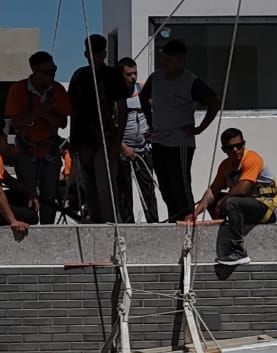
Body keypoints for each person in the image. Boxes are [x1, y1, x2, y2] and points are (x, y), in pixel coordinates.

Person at [140, 39, 221, 221]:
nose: (165, 63)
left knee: (180, 185)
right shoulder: (156, 78)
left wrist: (199, 128)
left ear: (180, 60)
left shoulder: (190, 81)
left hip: (180, 141)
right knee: (165, 186)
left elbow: (214, 102)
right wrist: (151, 122)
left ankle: (187, 220)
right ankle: (173, 219)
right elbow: (143, 97)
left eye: (169, 60)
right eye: (164, 59)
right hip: (159, 140)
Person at [189, 128, 277, 266]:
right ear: (224, 149)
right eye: (230, 147)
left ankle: (239, 251)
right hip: (247, 205)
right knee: (217, 200)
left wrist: (223, 200)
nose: (235, 150)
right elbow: (213, 191)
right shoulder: (225, 166)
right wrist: (195, 213)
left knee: (231, 202)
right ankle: (226, 236)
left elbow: (243, 189)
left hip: (267, 208)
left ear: (243, 144)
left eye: (239, 145)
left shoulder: (252, 159)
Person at [5, 51, 71, 225]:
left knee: (49, 196)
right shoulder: (19, 90)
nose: (52, 75)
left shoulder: (57, 90)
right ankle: (29, 228)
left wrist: (46, 114)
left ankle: (47, 230)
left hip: (49, 148)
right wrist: (38, 112)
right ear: (34, 70)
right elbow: (16, 122)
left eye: (54, 70)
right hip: (27, 150)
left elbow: (63, 122)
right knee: (28, 195)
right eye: (47, 72)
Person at [68, 34, 128, 223]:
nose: (95, 56)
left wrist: (117, 141)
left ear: (104, 53)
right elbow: (73, 110)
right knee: (89, 185)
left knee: (106, 185)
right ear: (86, 54)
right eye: (91, 53)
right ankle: (95, 222)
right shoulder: (79, 76)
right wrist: (73, 141)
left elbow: (122, 108)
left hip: (106, 138)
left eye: (99, 52)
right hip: (83, 140)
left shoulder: (112, 75)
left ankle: (111, 224)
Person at [117, 57, 159, 223]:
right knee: (124, 192)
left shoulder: (142, 89)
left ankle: (153, 222)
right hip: (124, 150)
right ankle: (128, 224)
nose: (133, 77)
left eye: (135, 73)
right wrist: (122, 147)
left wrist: (153, 130)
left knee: (148, 189)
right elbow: (110, 127)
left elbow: (154, 110)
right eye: (128, 74)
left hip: (143, 148)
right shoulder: (116, 95)